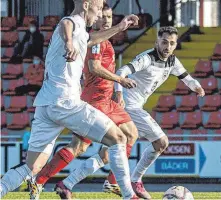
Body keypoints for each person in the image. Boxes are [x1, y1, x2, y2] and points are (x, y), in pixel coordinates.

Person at [32, 26, 205, 199]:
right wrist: (120, 92)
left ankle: (67, 183)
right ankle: (132, 182)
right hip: (123, 105)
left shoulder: (172, 61)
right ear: (157, 41)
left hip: (111, 104)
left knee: (109, 151)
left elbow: (187, 78)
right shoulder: (144, 58)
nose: (168, 46)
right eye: (164, 42)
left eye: (172, 43)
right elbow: (118, 71)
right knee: (158, 141)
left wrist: (197, 87)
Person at [0, 0, 139, 199]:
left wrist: (120, 27)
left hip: (45, 105)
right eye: (98, 8)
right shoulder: (72, 21)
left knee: (32, 167)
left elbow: (91, 39)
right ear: (86, 5)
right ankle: (129, 196)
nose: (99, 14)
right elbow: (66, 24)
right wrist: (69, 42)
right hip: (65, 102)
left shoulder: (83, 31)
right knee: (119, 139)